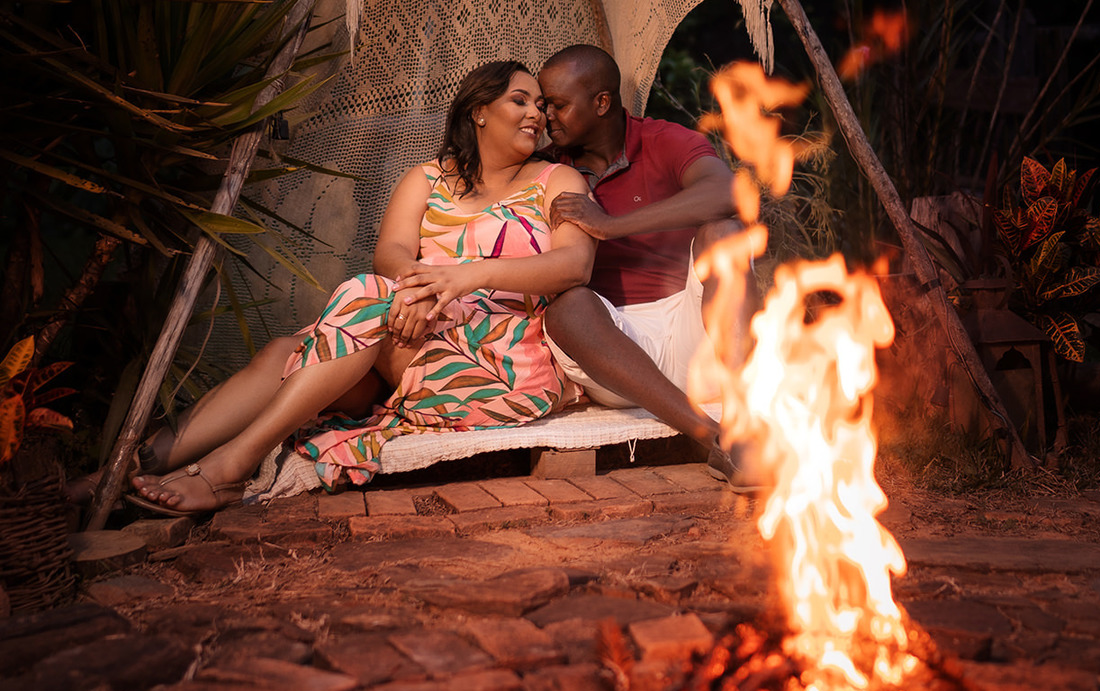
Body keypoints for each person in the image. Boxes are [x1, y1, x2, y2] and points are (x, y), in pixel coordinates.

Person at [130, 61, 595, 513]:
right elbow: (391, 252)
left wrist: (466, 276)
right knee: (285, 354)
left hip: (499, 364)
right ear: (479, 110)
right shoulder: (428, 177)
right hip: (410, 329)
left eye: (540, 105)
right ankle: (129, 468)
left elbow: (574, 265)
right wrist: (420, 293)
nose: (537, 114)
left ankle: (232, 464)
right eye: (520, 100)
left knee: (366, 297)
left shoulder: (556, 180)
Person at [536, 44, 756, 482]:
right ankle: (713, 439)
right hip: (616, 352)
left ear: (601, 103)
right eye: (544, 106)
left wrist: (611, 225)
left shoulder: (662, 139)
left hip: (699, 334)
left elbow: (728, 195)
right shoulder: (547, 169)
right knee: (566, 308)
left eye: (558, 105)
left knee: (725, 233)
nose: (546, 118)